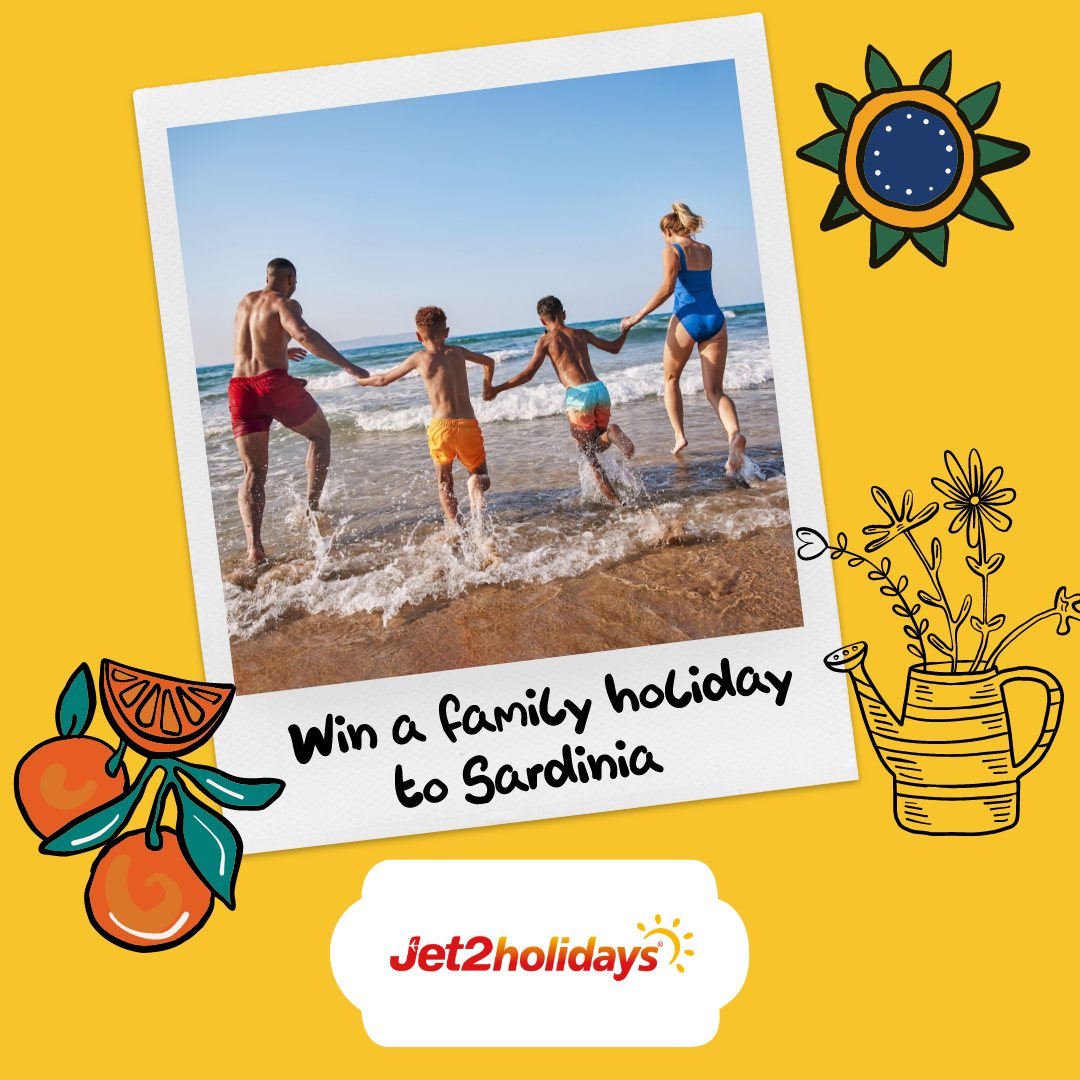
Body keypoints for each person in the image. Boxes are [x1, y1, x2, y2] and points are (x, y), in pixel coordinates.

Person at [229, 258, 370, 564]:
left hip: (240, 388)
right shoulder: (286, 303)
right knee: (320, 435)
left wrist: (281, 351)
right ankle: (311, 508)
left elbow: (252, 348)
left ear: (266, 277)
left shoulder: (244, 303)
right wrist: (349, 366)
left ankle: (254, 547)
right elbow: (304, 334)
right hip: (272, 385)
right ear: (291, 278)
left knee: (253, 472)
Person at [621, 202, 746, 473]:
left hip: (687, 319)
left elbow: (667, 288)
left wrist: (637, 317)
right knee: (714, 390)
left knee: (670, 380)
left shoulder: (671, 250)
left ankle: (679, 436)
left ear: (668, 230)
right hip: (715, 318)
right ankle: (734, 434)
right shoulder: (706, 250)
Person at [356, 306, 495, 535]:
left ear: (418, 336)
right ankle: (475, 483)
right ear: (447, 331)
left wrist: (361, 381)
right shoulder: (458, 352)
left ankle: (455, 526)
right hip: (468, 425)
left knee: (444, 483)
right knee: (481, 476)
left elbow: (383, 380)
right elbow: (489, 361)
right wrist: (486, 386)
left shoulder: (418, 358)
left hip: (441, 428)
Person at [485, 295, 634, 506]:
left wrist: (498, 388)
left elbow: (528, 374)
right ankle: (611, 434)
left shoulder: (545, 341)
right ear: (564, 314)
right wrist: (625, 330)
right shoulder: (581, 333)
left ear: (541, 321)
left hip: (578, 395)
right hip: (600, 390)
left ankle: (617, 504)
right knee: (597, 443)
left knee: (589, 456)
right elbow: (614, 348)